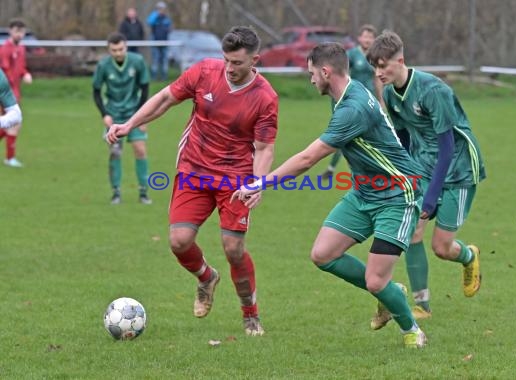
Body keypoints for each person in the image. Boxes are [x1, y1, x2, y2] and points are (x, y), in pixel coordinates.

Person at [232, 42, 427, 348]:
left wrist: (260, 183)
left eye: (312, 73)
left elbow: (308, 159)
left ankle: (412, 330)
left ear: (325, 71)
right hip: (365, 192)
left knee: (376, 281)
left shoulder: (352, 108)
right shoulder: (348, 93)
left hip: (397, 194)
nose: (310, 79)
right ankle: (391, 293)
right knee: (323, 254)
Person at [105, 26, 278, 336]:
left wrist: (258, 183)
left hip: (236, 179)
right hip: (194, 170)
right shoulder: (204, 72)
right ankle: (206, 278)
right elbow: (164, 99)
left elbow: (265, 148)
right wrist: (130, 123)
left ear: (255, 60)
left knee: (234, 249)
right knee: (179, 241)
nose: (230, 68)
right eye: (226, 60)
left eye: (237, 63)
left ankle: (250, 315)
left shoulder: (265, 98)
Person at [367, 30, 485, 327]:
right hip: (422, 166)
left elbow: (447, 148)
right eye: (375, 67)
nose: (379, 73)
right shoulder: (390, 94)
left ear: (400, 60)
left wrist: (430, 199)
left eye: (384, 66)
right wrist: (403, 175)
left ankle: (469, 256)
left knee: (442, 247)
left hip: (457, 170)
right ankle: (422, 304)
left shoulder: (433, 91)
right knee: (414, 233)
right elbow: (403, 136)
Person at [93, 32, 151, 205]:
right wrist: (105, 114)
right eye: (114, 50)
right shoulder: (103, 65)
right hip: (114, 115)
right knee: (115, 153)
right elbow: (96, 91)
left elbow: (145, 87)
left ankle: (143, 192)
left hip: (134, 115)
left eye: (120, 49)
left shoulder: (137, 61)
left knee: (140, 150)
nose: (118, 53)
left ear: (126, 47)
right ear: (109, 50)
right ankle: (116, 192)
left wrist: (143, 116)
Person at [321, 24, 381, 178]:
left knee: (367, 135)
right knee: (345, 134)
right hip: (351, 101)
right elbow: (341, 76)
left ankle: (368, 170)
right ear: (359, 38)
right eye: (365, 36)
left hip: (368, 101)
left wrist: (380, 99)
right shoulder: (352, 55)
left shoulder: (375, 57)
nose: (367, 39)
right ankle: (335, 169)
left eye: (370, 37)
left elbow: (377, 78)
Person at [0, 18, 32, 168]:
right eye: (16, 31)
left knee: (10, 124)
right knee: (13, 123)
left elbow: (21, 67)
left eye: (22, 31)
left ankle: (10, 158)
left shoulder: (21, 48)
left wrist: (25, 73)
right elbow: (5, 72)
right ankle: (10, 158)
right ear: (10, 31)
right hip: (6, 93)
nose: (19, 34)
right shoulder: (5, 49)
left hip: (15, 91)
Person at [146, 1, 172, 80]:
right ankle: (154, 76)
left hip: (164, 42)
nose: (161, 10)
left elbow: (169, 28)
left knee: (164, 60)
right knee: (155, 59)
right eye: (159, 8)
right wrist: (156, 14)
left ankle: (164, 76)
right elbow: (149, 22)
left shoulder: (166, 18)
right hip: (155, 41)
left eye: (162, 8)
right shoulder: (154, 17)